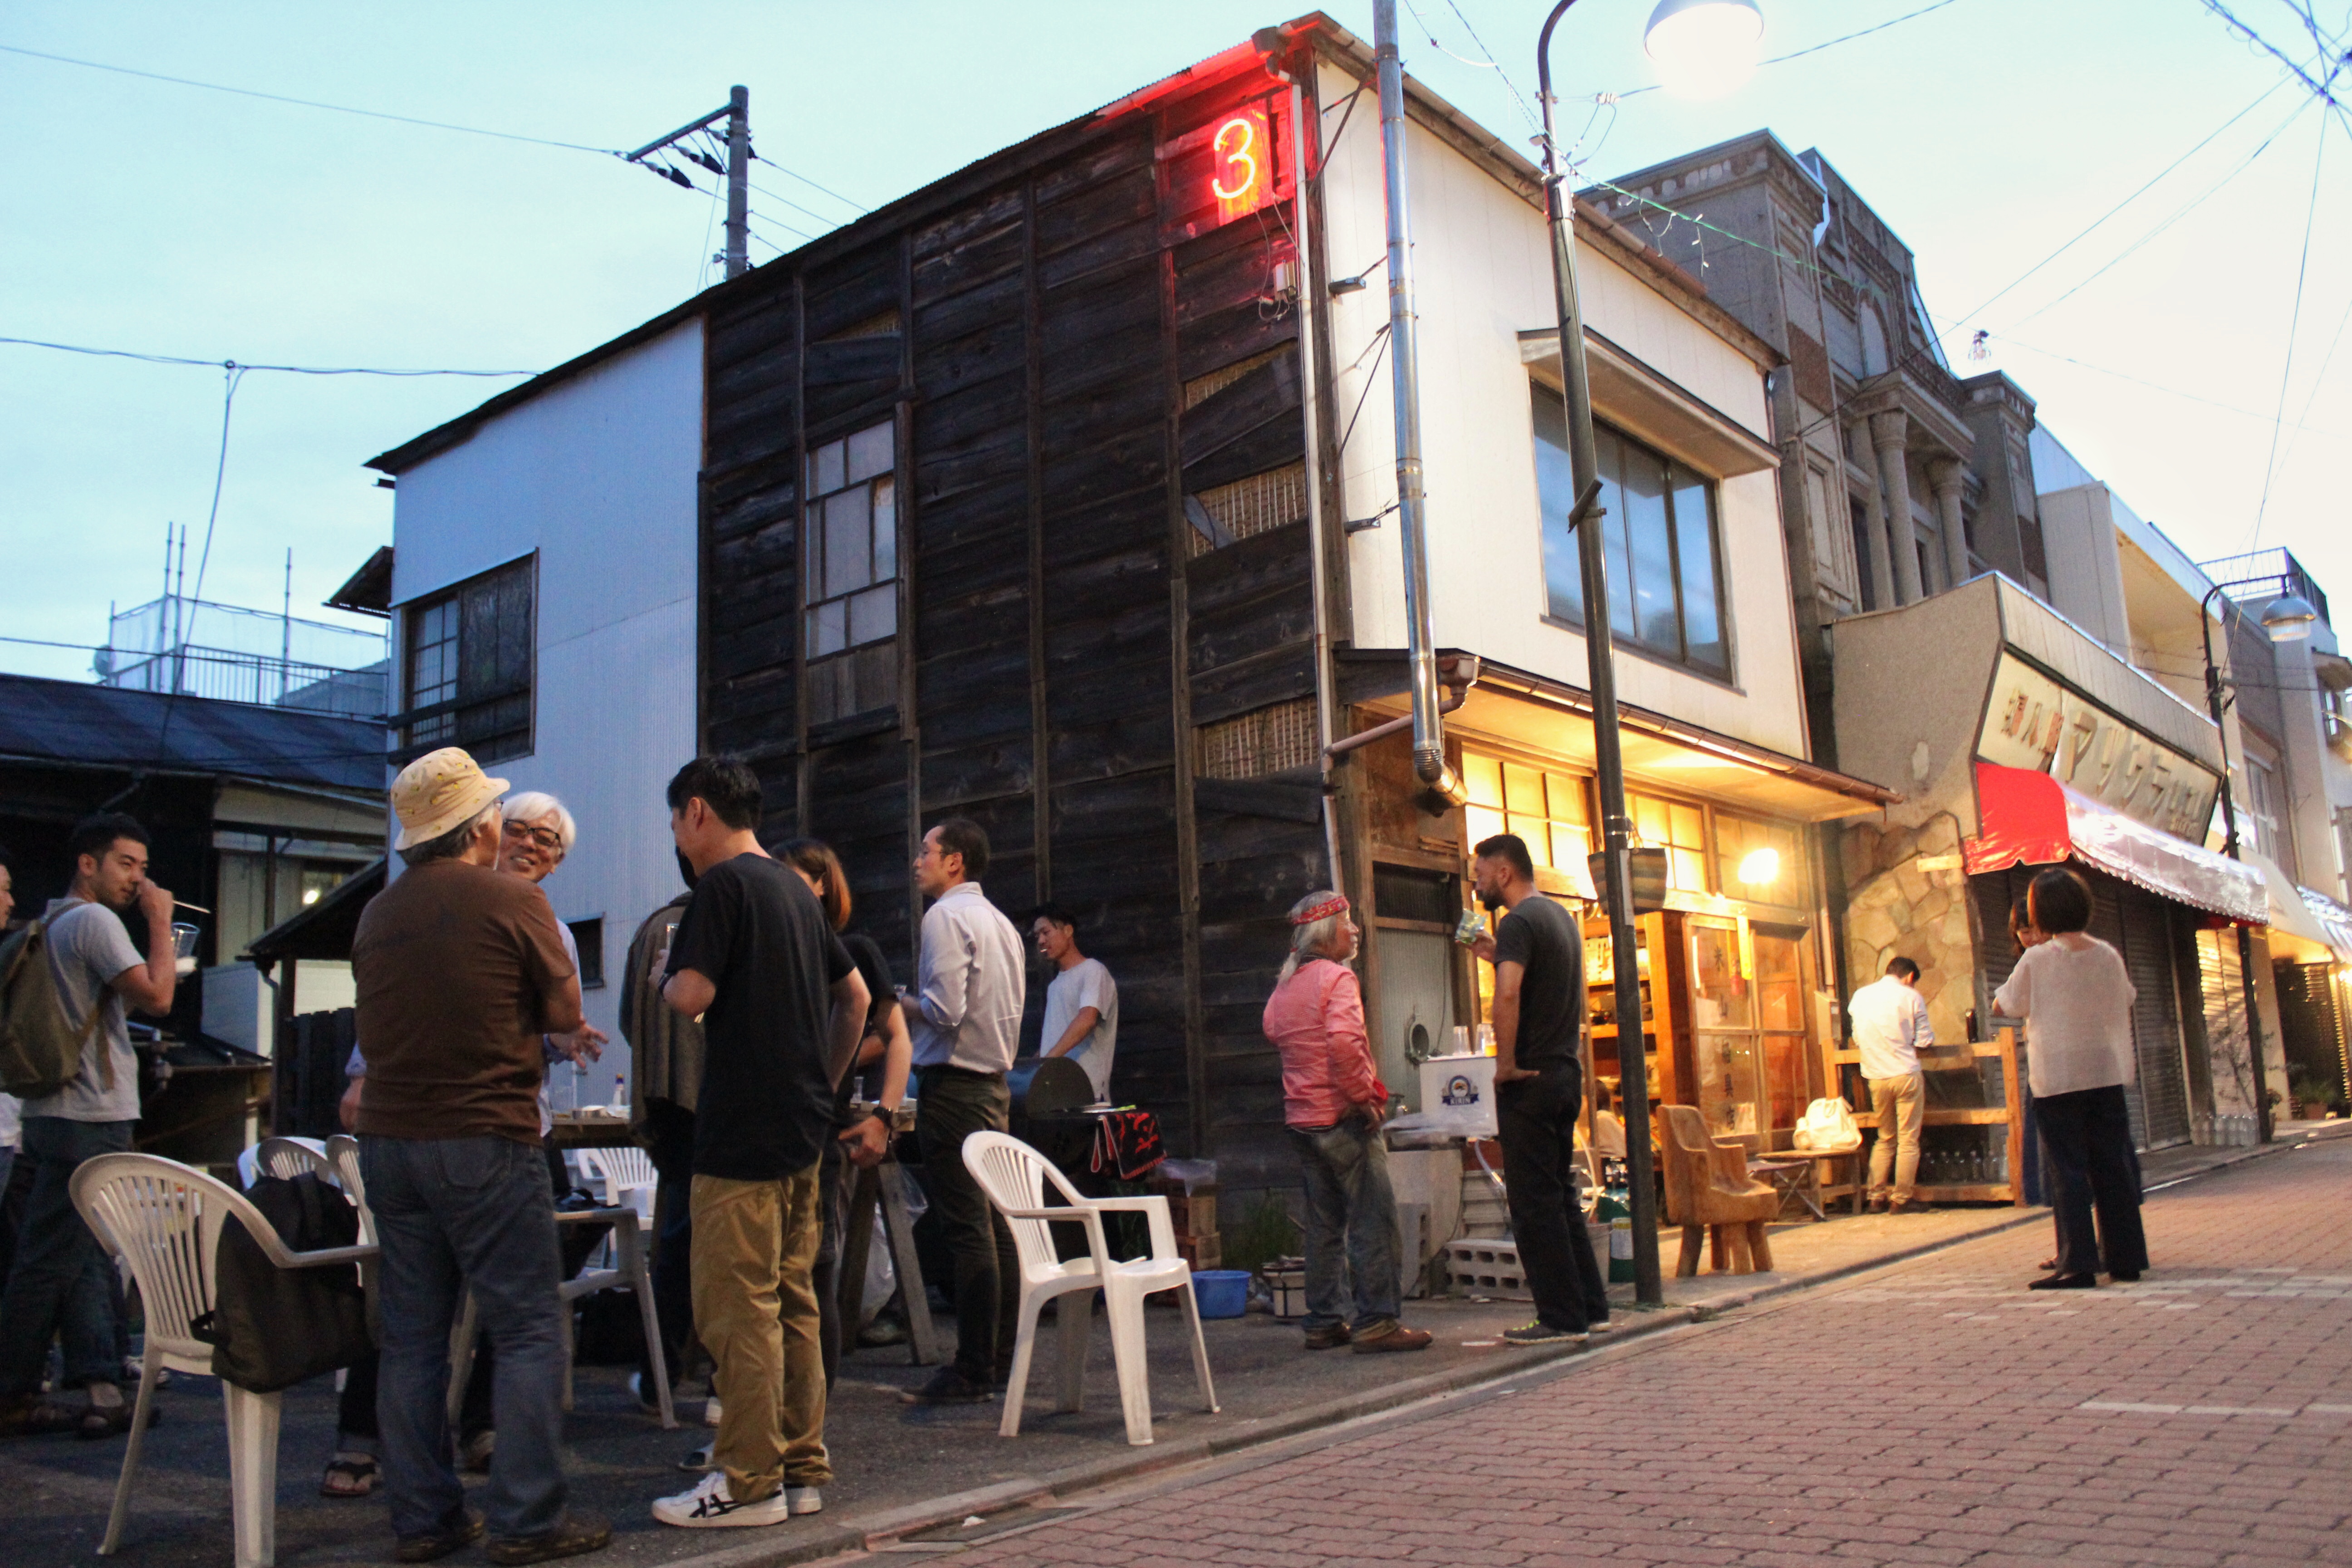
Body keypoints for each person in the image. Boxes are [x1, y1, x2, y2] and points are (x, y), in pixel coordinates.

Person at [352, 747, 609, 1565]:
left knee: (414, 1338)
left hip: (389, 1142)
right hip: (485, 1135)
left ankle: (423, 1521)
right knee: (530, 1326)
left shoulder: (377, 914)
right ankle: (527, 1521)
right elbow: (564, 1006)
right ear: (479, 825)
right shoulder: (512, 900)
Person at [651, 759, 867, 1529]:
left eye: (676, 821)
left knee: (736, 1308)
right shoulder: (791, 889)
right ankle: (799, 1470)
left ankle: (744, 1483)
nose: (676, 836)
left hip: (739, 1130)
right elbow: (858, 999)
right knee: (792, 1300)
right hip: (803, 1127)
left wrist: (661, 976)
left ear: (698, 812)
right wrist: (821, 1085)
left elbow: (691, 995)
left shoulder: (721, 887)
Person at [0, 813, 176, 1440]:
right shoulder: (97, 923)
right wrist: (162, 923)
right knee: (48, 1260)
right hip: (91, 1113)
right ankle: (10, 1391)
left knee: (74, 1253)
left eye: (144, 868)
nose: (138, 878)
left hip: (48, 1110)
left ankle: (102, 1387)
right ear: (87, 864)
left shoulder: (45, 925)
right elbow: (157, 996)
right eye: (126, 864)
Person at [1260, 890, 1432, 1354]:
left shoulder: (1286, 986)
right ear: (1327, 932)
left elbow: (1274, 1030)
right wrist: (1364, 1098)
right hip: (1342, 1120)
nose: (1353, 930)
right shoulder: (1336, 979)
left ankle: (1323, 1321)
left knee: (1324, 1225)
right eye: (1347, 922)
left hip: (1301, 1122)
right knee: (1372, 1220)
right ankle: (1376, 1322)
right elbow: (1344, 1043)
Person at [1469, 833, 1612, 1346]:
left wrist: (1504, 1064)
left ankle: (1558, 1317)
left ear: (1504, 872)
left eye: (1480, 873)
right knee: (1561, 1197)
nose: (1476, 882)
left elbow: (1508, 994)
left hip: (1529, 1080)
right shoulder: (1557, 918)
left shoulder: (1517, 922)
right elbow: (1535, 984)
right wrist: (1494, 954)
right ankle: (1591, 1308)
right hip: (1565, 1075)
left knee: (1533, 1205)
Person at [779, 838, 912, 1388]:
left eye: (792, 878)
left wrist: (884, 1114)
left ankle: (812, 1413)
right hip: (773, 1130)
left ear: (821, 884)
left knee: (816, 1270)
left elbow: (897, 1037)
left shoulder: (851, 947)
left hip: (822, 1133)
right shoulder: (778, 948)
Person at [904, 818, 1026, 1405]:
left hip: (953, 1087)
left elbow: (945, 1010)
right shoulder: (1001, 922)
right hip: (994, 1083)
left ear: (955, 862)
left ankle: (974, 1367)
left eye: (926, 851)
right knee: (996, 1224)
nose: (917, 860)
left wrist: (897, 1005)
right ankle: (999, 1360)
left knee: (967, 1228)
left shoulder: (945, 917)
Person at [1993, 867, 2149, 1291]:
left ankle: (2079, 1264)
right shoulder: (2107, 954)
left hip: (2058, 1076)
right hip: (2105, 1070)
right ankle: (2126, 1259)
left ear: (2041, 912)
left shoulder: (2038, 958)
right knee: (2111, 1166)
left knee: (2068, 1170)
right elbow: (2128, 997)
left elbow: (2007, 1004)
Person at [622, 866, 702, 1421]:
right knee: (718, 1244)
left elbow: (632, 1018)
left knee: (676, 1241)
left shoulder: (656, 924)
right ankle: (718, 1382)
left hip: (669, 1097)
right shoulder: (722, 920)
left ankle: (661, 1378)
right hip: (722, 1101)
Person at [1849, 956, 1932, 1214]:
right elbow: (1925, 1040)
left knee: (1885, 1138)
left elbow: (1857, 1036)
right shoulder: (1910, 996)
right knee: (1908, 1139)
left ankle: (1875, 1197)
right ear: (1909, 977)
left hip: (1875, 1076)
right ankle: (1901, 1199)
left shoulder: (1860, 997)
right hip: (1905, 1074)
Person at [1031, 903, 1119, 1103]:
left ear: (1068, 930)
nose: (1041, 941)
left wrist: (1047, 1061)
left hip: (1087, 1093)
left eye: (1046, 932)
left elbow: (1087, 1020)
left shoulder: (1093, 971)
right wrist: (1034, 1063)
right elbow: (1056, 1035)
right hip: (1057, 1092)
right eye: (1037, 936)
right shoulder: (1054, 985)